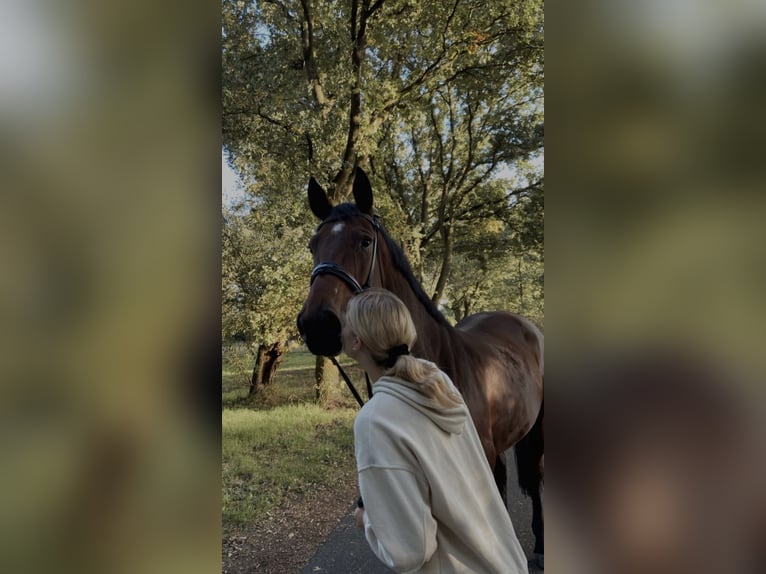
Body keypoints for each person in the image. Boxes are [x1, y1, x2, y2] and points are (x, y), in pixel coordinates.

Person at [342, 289, 528, 573]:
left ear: (356, 341)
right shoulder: (437, 383)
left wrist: (366, 520)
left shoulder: (374, 420)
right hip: (504, 562)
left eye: (345, 322)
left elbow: (410, 551)